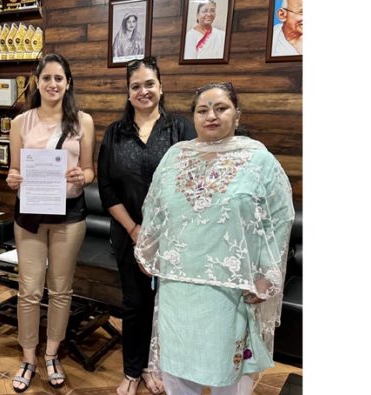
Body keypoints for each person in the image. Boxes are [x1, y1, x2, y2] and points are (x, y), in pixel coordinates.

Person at [134, 82, 295, 395]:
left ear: (237, 114)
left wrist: (268, 276)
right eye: (202, 110)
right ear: (193, 117)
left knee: (228, 371)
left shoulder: (258, 160)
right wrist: (147, 251)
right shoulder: (175, 156)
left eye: (221, 108)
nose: (211, 116)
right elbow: (154, 206)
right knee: (177, 370)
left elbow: (280, 217)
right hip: (177, 285)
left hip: (229, 287)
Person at [97, 57, 196, 395]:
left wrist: (161, 231)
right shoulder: (114, 133)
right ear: (128, 93)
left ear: (161, 87)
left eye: (149, 84)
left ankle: (161, 368)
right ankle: (133, 370)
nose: (143, 91)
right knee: (135, 304)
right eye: (136, 86)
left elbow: (191, 182)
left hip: (173, 238)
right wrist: (135, 230)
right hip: (129, 236)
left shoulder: (180, 130)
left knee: (167, 304)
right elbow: (107, 188)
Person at [5, 53, 95, 393]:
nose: (53, 84)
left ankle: (53, 353)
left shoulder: (82, 121)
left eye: (59, 78)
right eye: (47, 78)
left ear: (68, 83)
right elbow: (14, 170)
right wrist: (14, 178)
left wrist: (81, 175)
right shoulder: (20, 123)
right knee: (28, 291)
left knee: (60, 290)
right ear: (37, 82)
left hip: (69, 215)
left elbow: (90, 170)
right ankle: (29, 356)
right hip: (30, 214)